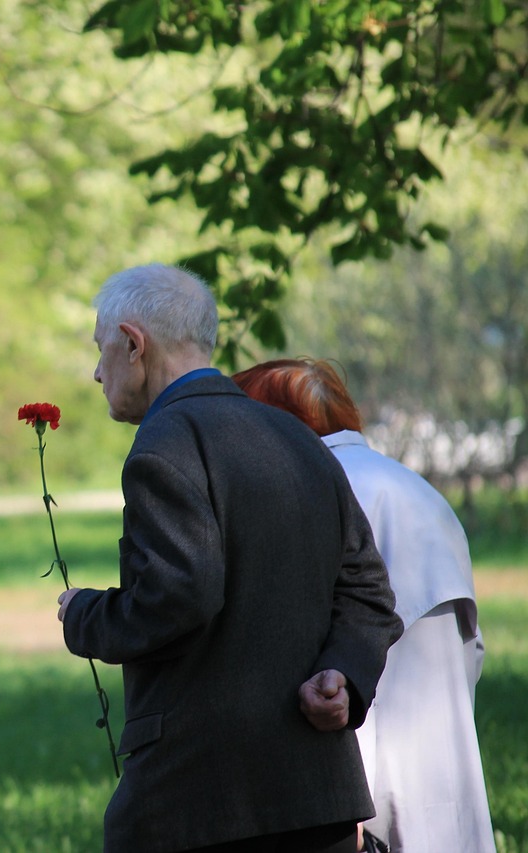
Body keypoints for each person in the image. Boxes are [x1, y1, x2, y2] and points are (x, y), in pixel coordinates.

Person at [56, 263, 403, 853]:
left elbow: (181, 593)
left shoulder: (165, 443)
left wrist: (83, 616)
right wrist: (342, 672)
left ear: (133, 344)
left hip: (202, 802)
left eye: (101, 349)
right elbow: (368, 590)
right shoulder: (298, 438)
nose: (96, 372)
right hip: (320, 799)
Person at [233, 357, 496, 853]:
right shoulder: (416, 489)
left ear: (272, 423)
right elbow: (471, 649)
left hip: (355, 786)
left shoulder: (313, 491)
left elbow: (316, 654)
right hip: (443, 757)